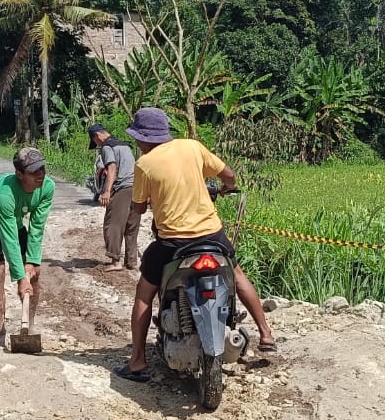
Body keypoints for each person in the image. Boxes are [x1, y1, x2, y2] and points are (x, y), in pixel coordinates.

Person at [113, 108, 277, 383]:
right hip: (212, 235)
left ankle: (138, 361)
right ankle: (266, 333)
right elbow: (229, 175)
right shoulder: (192, 147)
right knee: (236, 276)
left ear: (142, 138)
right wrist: (225, 188)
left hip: (173, 244)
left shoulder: (145, 165)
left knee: (144, 293)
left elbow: (139, 208)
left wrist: (149, 200)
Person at [0, 148, 55, 348]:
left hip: (14, 221)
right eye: (34, 171)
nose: (41, 174)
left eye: (42, 168)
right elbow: (9, 238)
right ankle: (0, 330)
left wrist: (32, 262)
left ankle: (30, 326)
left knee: (34, 272)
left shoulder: (48, 187)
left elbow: (37, 227)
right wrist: (19, 277)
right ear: (19, 174)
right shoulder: (5, 194)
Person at [88, 123, 140, 270]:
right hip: (136, 188)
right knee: (131, 226)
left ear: (97, 136)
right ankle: (131, 262)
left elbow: (111, 168)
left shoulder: (106, 147)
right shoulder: (125, 145)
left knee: (112, 224)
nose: (97, 145)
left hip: (122, 188)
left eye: (95, 142)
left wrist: (106, 191)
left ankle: (115, 261)